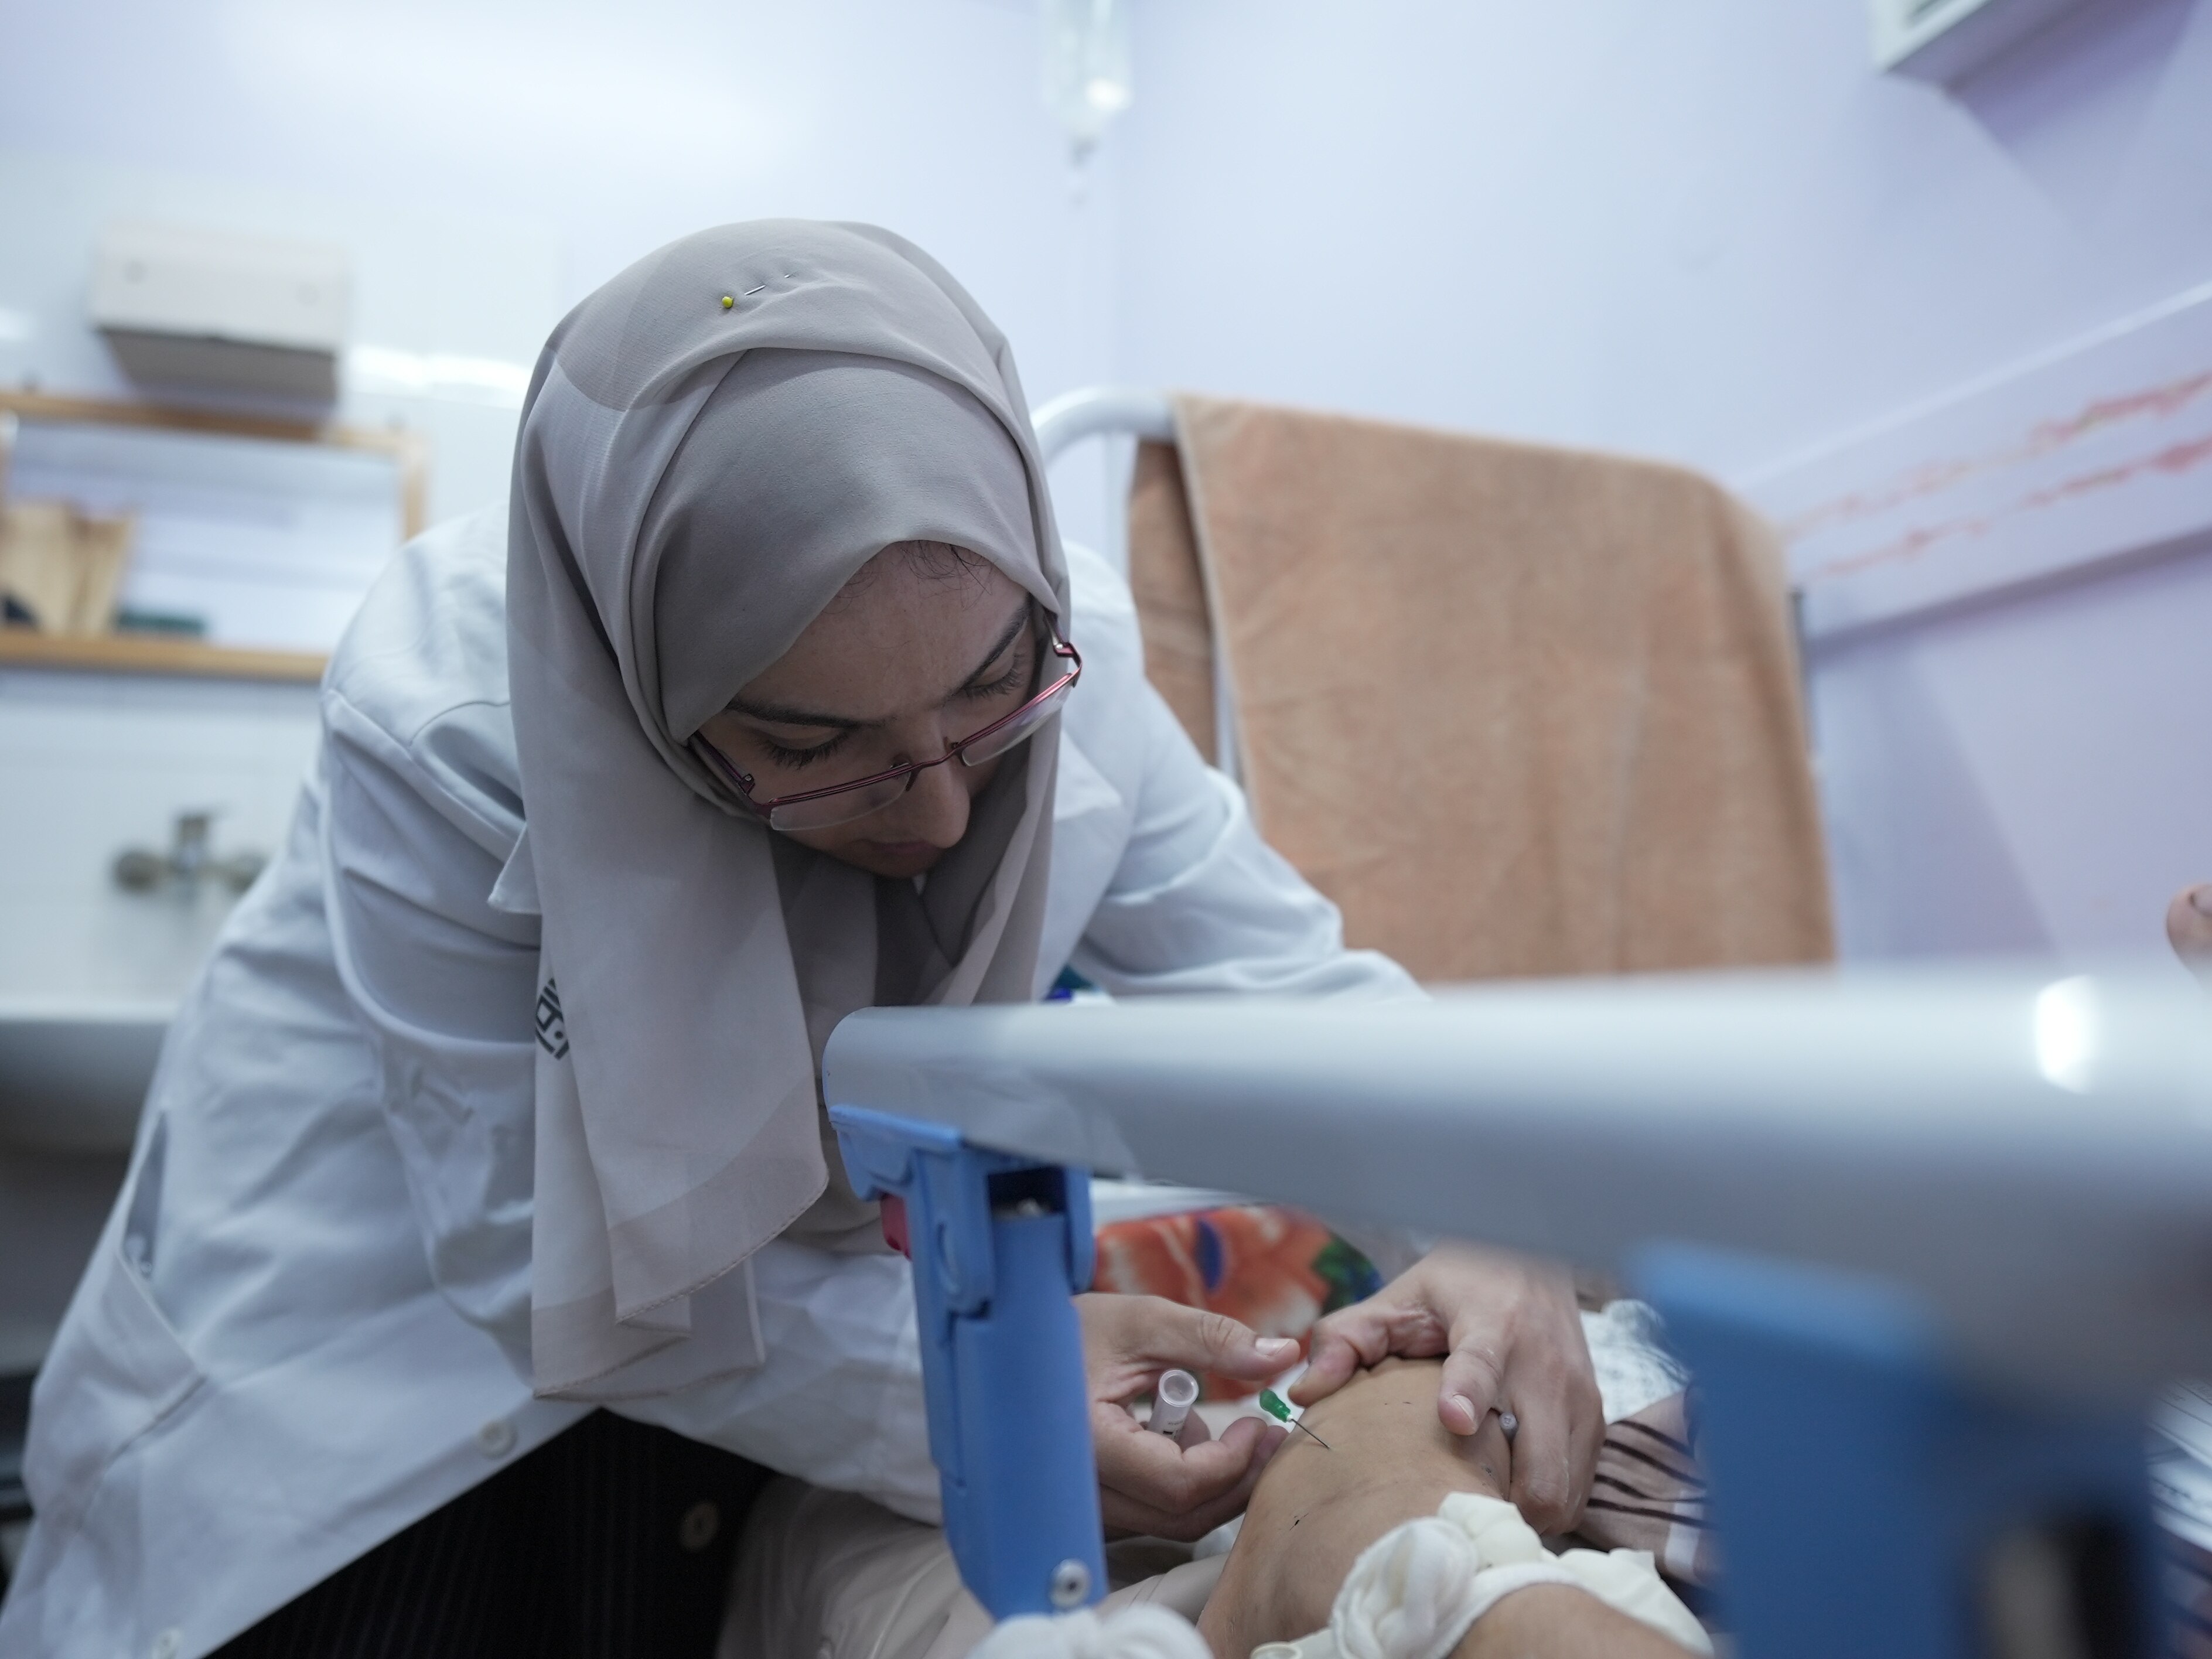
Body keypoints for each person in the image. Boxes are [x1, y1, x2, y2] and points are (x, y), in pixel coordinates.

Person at [0, 221, 1603, 1659]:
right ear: (660, 712)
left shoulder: (1069, 649)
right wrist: (992, 1387)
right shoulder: (455, 721)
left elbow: (1293, 995)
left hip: (726, 1393)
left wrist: (1486, 1216)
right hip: (360, 1399)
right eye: (812, 742)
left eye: (986, 703)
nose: (939, 821)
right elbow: (521, 1248)